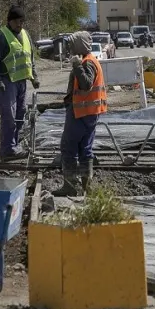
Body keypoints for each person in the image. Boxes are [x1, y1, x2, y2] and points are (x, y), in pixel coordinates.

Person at [53, 31, 108, 197]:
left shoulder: (86, 63)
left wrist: (76, 65)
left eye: (72, 45)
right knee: (85, 149)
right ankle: (87, 187)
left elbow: (85, 84)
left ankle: (70, 186)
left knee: (68, 147)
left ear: (79, 45)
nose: (70, 49)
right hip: (88, 113)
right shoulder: (90, 61)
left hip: (81, 114)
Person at [0, 5, 39, 160]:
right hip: (6, 82)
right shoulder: (0, 37)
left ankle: (15, 146)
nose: (19, 24)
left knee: (20, 115)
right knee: (9, 116)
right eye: (17, 21)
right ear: (10, 21)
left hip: (21, 82)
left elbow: (30, 58)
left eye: (22, 21)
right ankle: (8, 149)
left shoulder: (25, 35)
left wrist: (34, 77)